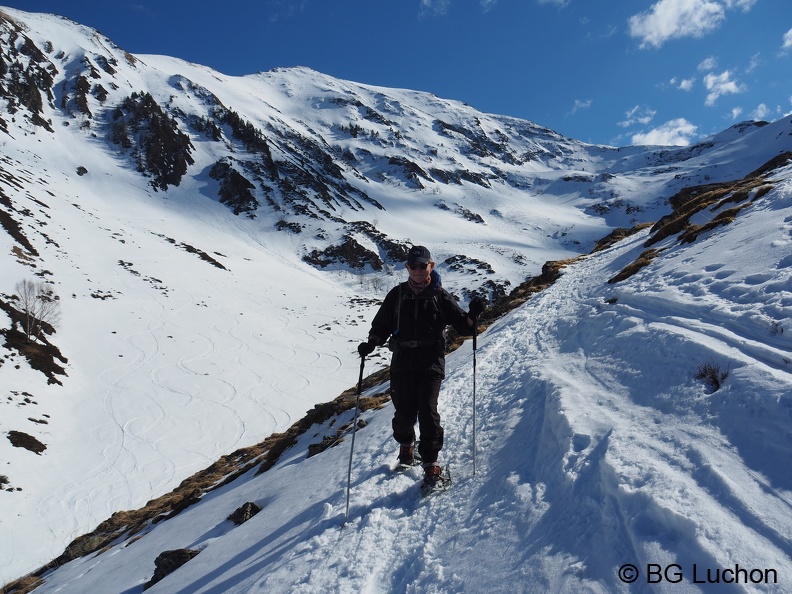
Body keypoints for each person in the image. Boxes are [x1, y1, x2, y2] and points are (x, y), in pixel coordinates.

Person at [358, 245, 485, 489]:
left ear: (431, 266)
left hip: (431, 362)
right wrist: (371, 343)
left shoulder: (440, 296)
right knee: (404, 413)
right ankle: (406, 445)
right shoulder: (398, 294)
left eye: (422, 265)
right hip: (403, 361)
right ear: (407, 268)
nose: (418, 270)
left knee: (428, 411)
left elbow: (465, 326)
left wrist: (474, 314)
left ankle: (431, 461)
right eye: (413, 266)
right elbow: (381, 324)